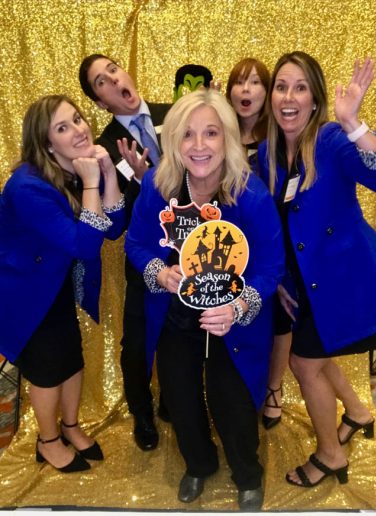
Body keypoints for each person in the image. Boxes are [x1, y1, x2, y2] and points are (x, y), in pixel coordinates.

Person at [124, 88, 285, 510]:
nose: (199, 145)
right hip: (175, 315)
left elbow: (272, 266)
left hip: (232, 322)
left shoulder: (250, 194)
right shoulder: (157, 186)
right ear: (173, 140)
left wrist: (239, 307)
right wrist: (159, 272)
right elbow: (136, 243)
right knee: (179, 395)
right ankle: (198, 464)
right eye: (187, 134)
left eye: (211, 133)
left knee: (233, 400)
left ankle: (247, 473)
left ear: (227, 138)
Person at [257, 51, 376, 487]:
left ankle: (330, 455)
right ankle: (357, 413)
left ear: (315, 99)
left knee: (304, 363)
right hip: (303, 282)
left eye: (300, 88)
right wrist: (281, 281)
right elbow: (274, 225)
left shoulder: (333, 139)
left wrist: (354, 123)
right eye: (282, 86)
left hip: (347, 280)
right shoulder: (267, 152)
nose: (289, 97)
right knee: (317, 356)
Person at [0, 94, 125, 472]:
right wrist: (92, 182)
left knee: (71, 359)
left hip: (55, 286)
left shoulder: (70, 169)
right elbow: (85, 245)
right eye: (62, 127)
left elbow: (113, 228)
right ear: (46, 143)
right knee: (47, 369)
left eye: (77, 119)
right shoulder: (27, 187)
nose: (79, 130)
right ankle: (48, 440)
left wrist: (108, 174)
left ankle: (69, 426)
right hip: (25, 294)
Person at [79, 54, 171, 451]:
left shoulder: (175, 114)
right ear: (101, 102)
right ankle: (142, 413)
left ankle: (174, 400)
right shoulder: (103, 148)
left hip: (194, 251)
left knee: (181, 335)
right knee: (136, 343)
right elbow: (116, 222)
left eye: (113, 70)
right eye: (101, 81)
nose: (114, 80)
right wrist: (143, 180)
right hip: (144, 253)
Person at [226, 57, 292, 430]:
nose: (246, 90)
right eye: (239, 82)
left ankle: (273, 388)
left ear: (266, 92)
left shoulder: (278, 137)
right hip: (228, 248)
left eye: (254, 82)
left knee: (280, 317)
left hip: (272, 242)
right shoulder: (218, 133)